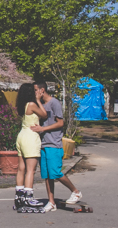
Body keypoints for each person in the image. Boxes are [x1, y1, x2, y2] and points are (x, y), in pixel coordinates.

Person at [31, 82, 82, 211]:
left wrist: (43, 128)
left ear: (42, 90)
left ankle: (75, 191)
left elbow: (60, 123)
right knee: (47, 175)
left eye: (36, 90)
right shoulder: (40, 105)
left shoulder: (54, 103)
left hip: (54, 143)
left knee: (55, 172)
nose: (34, 93)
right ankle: (51, 201)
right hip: (44, 143)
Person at [14, 82, 48, 212]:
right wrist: (39, 100)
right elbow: (44, 115)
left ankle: (19, 196)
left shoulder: (22, 105)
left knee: (21, 168)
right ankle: (28, 197)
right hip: (30, 136)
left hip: (22, 135)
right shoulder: (32, 104)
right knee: (31, 170)